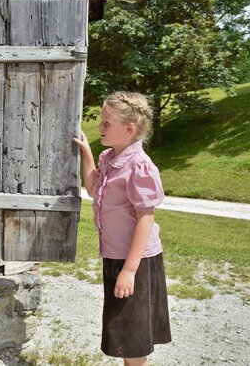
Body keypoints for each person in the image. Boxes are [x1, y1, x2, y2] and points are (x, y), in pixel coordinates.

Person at [73, 92, 171, 365]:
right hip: (116, 258)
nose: (100, 127)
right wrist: (87, 154)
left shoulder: (139, 166)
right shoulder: (109, 159)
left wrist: (129, 270)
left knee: (133, 338)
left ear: (129, 129)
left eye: (107, 123)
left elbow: (145, 218)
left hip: (137, 262)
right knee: (124, 332)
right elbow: (93, 188)